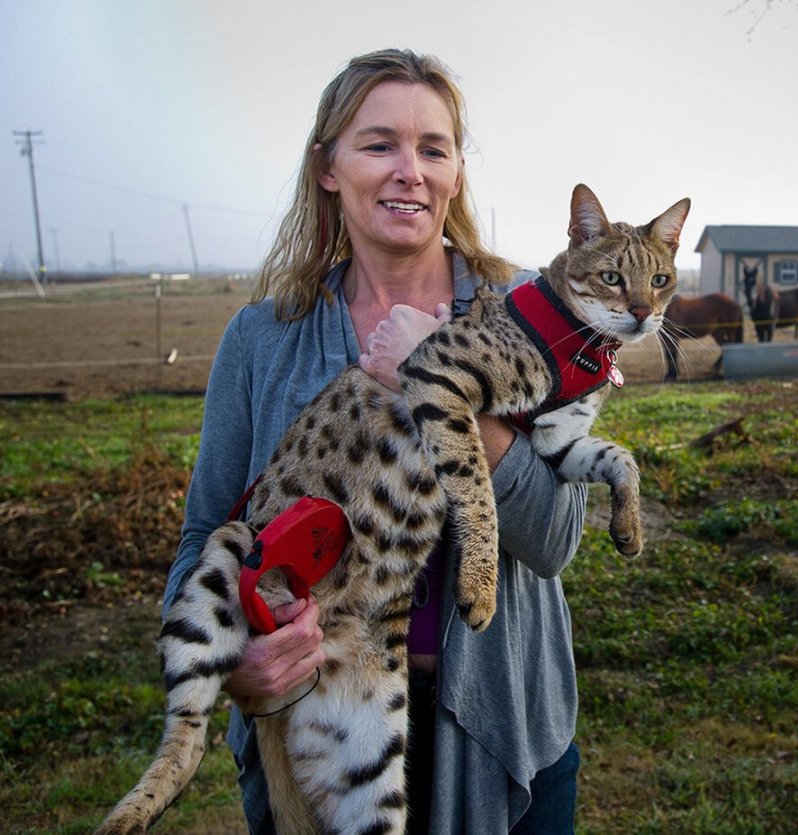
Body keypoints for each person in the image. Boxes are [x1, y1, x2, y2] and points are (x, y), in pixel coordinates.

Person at [164, 48, 586, 834]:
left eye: (434, 149)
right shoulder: (263, 339)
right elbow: (202, 534)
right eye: (379, 144)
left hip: (502, 729)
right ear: (328, 166)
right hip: (320, 733)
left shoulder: (531, 314)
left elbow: (557, 538)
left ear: (458, 174)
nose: (410, 171)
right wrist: (235, 664)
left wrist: (439, 381)